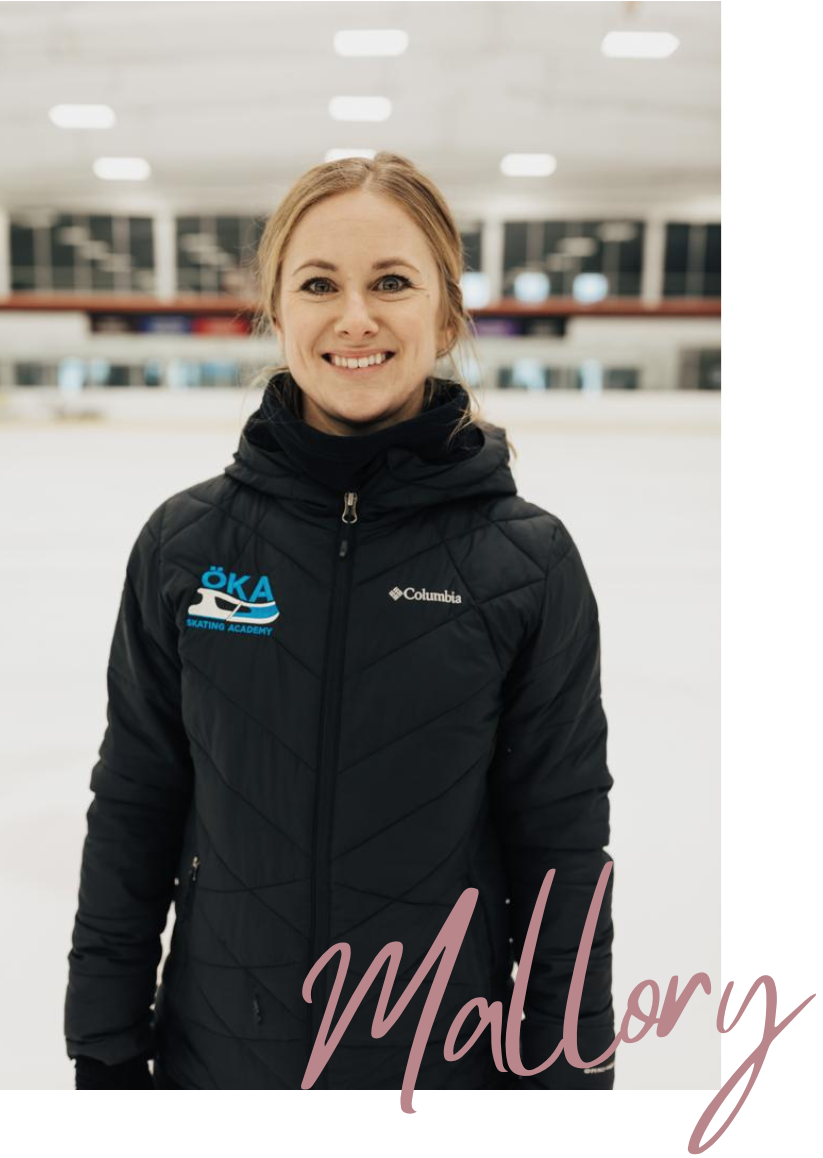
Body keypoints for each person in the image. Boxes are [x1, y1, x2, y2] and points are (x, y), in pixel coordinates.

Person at [65, 152, 616, 1093]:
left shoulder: (525, 564)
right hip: (218, 1059)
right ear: (276, 311)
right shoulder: (186, 545)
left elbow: (562, 851)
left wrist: (568, 1065)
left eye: (392, 282)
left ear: (445, 314)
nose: (354, 316)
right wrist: (104, 1040)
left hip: (438, 1064)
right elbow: (134, 806)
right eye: (319, 283)